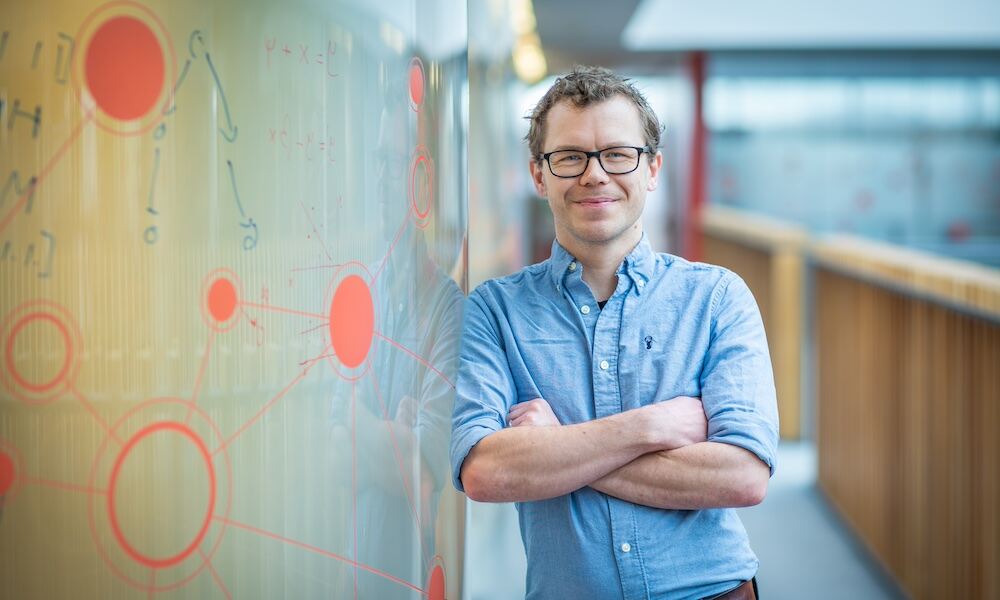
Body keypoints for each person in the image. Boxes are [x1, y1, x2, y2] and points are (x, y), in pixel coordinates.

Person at [450, 66, 778, 600]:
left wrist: (555, 449)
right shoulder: (494, 311)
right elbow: (485, 471)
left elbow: (742, 477)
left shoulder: (718, 298)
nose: (595, 175)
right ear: (539, 175)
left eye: (618, 154)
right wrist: (651, 427)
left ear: (652, 169)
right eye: (570, 156)